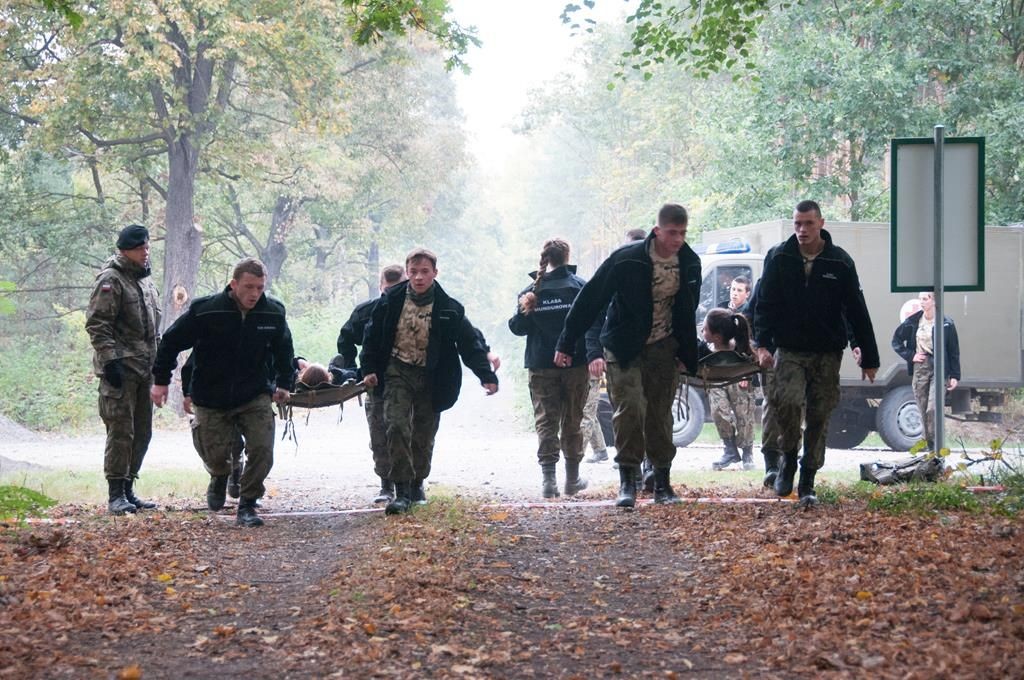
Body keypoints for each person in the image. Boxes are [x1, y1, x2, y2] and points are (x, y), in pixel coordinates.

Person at [556, 203, 702, 507]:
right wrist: (567, 341)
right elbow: (591, 299)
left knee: (661, 414)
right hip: (624, 346)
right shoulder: (627, 260)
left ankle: (662, 481)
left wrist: (688, 353)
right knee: (630, 408)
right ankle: (628, 481)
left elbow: (688, 311)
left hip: (664, 346)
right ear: (657, 231)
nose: (677, 239)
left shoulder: (689, 263)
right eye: (672, 232)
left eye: (683, 233)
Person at [753, 200, 879, 507]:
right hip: (790, 349)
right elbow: (764, 304)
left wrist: (868, 354)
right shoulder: (779, 256)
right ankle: (787, 463)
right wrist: (762, 344)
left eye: (808, 223)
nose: (801, 230)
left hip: (826, 351)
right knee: (788, 404)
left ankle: (808, 478)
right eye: (797, 223)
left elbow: (856, 309)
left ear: (821, 223)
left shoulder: (839, 262)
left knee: (820, 415)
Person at [151, 257, 294, 527]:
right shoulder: (207, 311)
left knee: (262, 449)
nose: (254, 294)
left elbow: (284, 349)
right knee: (215, 453)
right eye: (249, 287)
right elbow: (170, 342)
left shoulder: (273, 312)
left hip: (254, 393)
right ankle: (220, 475)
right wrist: (160, 380)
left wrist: (284, 383)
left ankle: (248, 504)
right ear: (233, 284)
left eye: (260, 288)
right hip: (211, 394)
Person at [360, 248, 498, 515]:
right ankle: (401, 491)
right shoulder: (390, 301)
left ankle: (417, 483)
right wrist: (368, 369)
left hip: (432, 376)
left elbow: (469, 343)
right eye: (413, 272)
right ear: (407, 272)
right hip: (396, 372)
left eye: (425, 272)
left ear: (435, 272)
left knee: (423, 434)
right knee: (396, 426)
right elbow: (371, 335)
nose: (419, 277)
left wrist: (486, 375)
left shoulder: (449, 308)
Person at [509, 238, 596, 498]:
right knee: (573, 420)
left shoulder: (531, 291)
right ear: (567, 257)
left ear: (545, 258)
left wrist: (526, 310)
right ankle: (572, 479)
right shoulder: (580, 288)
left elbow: (517, 329)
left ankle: (549, 482)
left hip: (540, 366)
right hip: (575, 364)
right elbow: (592, 323)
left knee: (546, 420)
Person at [85, 224, 162, 515]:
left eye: (147, 247)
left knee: (142, 431)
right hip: (120, 371)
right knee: (121, 431)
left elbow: (152, 330)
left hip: (145, 370)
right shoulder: (111, 280)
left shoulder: (145, 282)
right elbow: (98, 324)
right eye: (140, 248)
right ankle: (115, 493)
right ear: (125, 250)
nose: (146, 252)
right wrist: (110, 361)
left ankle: (129, 488)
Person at [891, 291, 961, 450]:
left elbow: (953, 350)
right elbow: (896, 341)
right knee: (922, 410)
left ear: (934, 301)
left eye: (925, 299)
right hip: (921, 367)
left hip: (939, 366)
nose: (922, 302)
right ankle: (929, 448)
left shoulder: (946, 323)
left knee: (932, 408)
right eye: (920, 299)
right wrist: (911, 355)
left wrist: (955, 375)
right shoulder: (913, 321)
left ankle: (937, 446)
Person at [702, 309, 757, 471]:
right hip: (716, 382)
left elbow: (754, 362)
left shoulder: (741, 349)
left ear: (717, 337)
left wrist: (747, 377)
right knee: (719, 412)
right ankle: (730, 450)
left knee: (744, 414)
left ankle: (747, 452)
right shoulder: (705, 352)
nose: (702, 332)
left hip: (739, 381)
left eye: (705, 329)